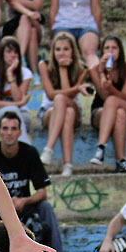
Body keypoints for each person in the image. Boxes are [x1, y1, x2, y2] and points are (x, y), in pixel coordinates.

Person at [0, 111, 68, 252]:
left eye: (13, 129)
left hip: (22, 208)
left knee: (46, 207)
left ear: (20, 132)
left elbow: (42, 192)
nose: (9, 133)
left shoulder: (29, 153)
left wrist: (23, 201)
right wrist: (3, 203)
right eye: (5, 128)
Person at [38, 31, 91, 177]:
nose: (61, 53)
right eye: (58, 49)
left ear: (73, 51)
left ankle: (49, 149)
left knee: (62, 101)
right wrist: (77, 88)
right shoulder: (44, 65)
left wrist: (63, 70)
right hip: (49, 111)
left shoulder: (82, 69)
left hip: (73, 107)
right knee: (67, 111)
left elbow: (69, 96)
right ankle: (68, 165)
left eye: (66, 49)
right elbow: (50, 94)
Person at [88, 35, 126, 173]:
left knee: (115, 103)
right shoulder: (94, 70)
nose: (110, 51)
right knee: (118, 113)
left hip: (125, 106)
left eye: (114, 48)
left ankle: (101, 148)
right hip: (101, 110)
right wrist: (102, 72)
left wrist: (110, 88)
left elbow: (124, 96)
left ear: (120, 50)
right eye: (107, 48)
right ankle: (121, 161)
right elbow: (104, 97)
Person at [0, 36, 33, 143]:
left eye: (16, 52)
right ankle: (26, 149)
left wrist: (10, 76)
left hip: (22, 114)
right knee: (13, 111)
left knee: (16, 115)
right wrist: (18, 104)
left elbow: (18, 98)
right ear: (2, 54)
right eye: (9, 52)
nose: (13, 55)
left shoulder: (26, 73)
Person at [50, 0, 102, 68]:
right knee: (64, 50)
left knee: (90, 52)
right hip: (63, 24)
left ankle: (97, 74)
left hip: (87, 25)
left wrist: (98, 35)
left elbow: (96, 10)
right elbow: (53, 11)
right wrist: (52, 37)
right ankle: (64, 74)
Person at [2, 0, 44, 77]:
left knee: (25, 18)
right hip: (14, 26)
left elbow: (37, 5)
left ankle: (20, 58)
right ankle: (34, 72)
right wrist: (28, 13)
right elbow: (11, 1)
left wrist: (16, 0)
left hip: (35, 21)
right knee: (32, 32)